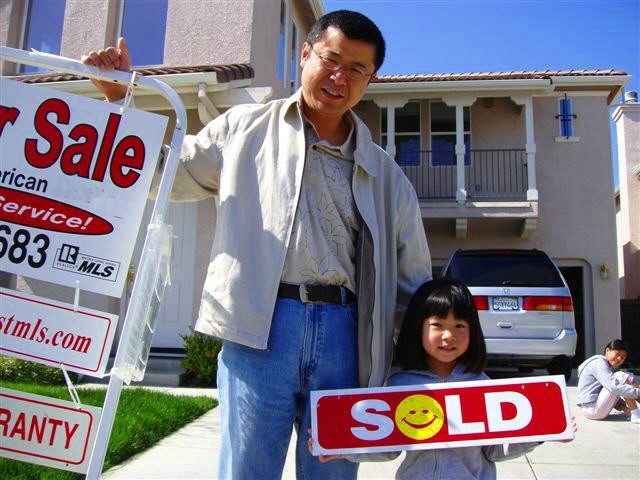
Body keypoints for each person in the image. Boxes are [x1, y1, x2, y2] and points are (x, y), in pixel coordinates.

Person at [82, 9, 431, 479]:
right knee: (247, 470)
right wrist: (122, 101)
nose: (339, 77)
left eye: (356, 70)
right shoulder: (242, 129)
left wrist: (422, 366)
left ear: (369, 81)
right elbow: (166, 177)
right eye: (331, 59)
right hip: (258, 329)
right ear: (305, 54)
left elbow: (414, 280)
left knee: (333, 472)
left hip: (347, 337)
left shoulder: (388, 176)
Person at [310, 278, 563, 479]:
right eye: (438, 325)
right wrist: (343, 448)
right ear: (417, 328)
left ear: (472, 330)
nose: (448, 336)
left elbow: (495, 450)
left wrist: (540, 432)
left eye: (459, 326)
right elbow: (387, 448)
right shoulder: (399, 385)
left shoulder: (482, 384)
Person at [576, 339, 640, 423]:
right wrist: (638, 392)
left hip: (593, 409)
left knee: (624, 377)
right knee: (621, 376)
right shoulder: (599, 363)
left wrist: (623, 408)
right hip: (592, 409)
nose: (619, 358)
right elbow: (614, 388)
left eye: (623, 357)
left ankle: (635, 412)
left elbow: (609, 392)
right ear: (607, 350)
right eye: (617, 354)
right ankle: (636, 414)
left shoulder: (606, 367)